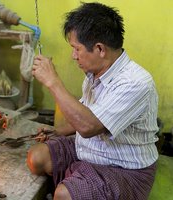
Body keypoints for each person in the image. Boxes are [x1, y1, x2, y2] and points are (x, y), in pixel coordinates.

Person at [27, 2, 159, 200]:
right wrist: (56, 132)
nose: (73, 56)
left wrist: (53, 82)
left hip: (124, 169)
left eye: (76, 49)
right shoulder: (94, 74)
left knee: (63, 195)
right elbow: (85, 113)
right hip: (88, 151)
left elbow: (89, 126)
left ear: (100, 49)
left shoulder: (136, 83)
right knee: (36, 158)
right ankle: (78, 180)